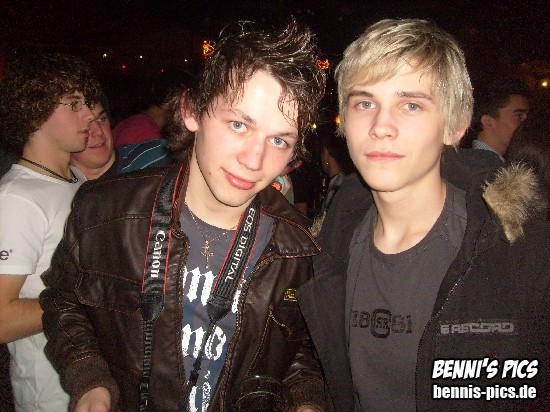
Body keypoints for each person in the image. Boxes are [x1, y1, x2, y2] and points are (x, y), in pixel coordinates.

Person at [41, 20, 326, 412]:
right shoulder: (106, 212)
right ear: (192, 110)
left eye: (279, 140)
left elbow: (298, 353)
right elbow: (63, 302)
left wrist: (306, 403)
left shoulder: (297, 247)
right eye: (238, 124)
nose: (254, 160)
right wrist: (90, 379)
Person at [297, 19, 550, 411]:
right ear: (344, 122)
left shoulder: (521, 255)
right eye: (365, 103)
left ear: (455, 126)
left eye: (411, 105)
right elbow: (312, 358)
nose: (381, 126)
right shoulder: (325, 247)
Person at [0, 53, 102, 411]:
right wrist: (94, 296)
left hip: (94, 386)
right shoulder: (17, 199)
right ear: (34, 111)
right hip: (52, 396)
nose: (89, 115)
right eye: (74, 104)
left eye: (86, 102)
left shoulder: (75, 180)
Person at [71, 96, 174, 179]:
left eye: (102, 119)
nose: (99, 131)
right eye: (85, 125)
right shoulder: (66, 188)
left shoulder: (157, 158)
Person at [113, 69, 192, 147]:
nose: (191, 110)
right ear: (171, 98)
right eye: (188, 101)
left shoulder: (134, 123)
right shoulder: (146, 134)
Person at [469, 77, 530, 161]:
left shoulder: (471, 161)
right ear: (488, 122)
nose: (527, 124)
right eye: (519, 116)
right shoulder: (482, 166)